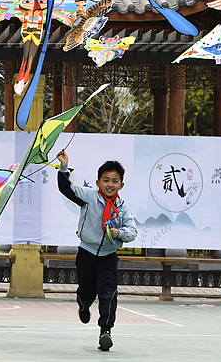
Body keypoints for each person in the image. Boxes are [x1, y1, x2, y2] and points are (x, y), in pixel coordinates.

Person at [56, 149, 137, 352]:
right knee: (88, 292)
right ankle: (83, 305)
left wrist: (119, 232)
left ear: (121, 185)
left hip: (109, 257)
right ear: (98, 182)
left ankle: (105, 332)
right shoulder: (88, 197)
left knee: (108, 293)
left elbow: (132, 231)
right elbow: (67, 189)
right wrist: (64, 166)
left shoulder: (123, 207)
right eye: (106, 180)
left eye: (115, 181)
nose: (110, 184)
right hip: (86, 253)